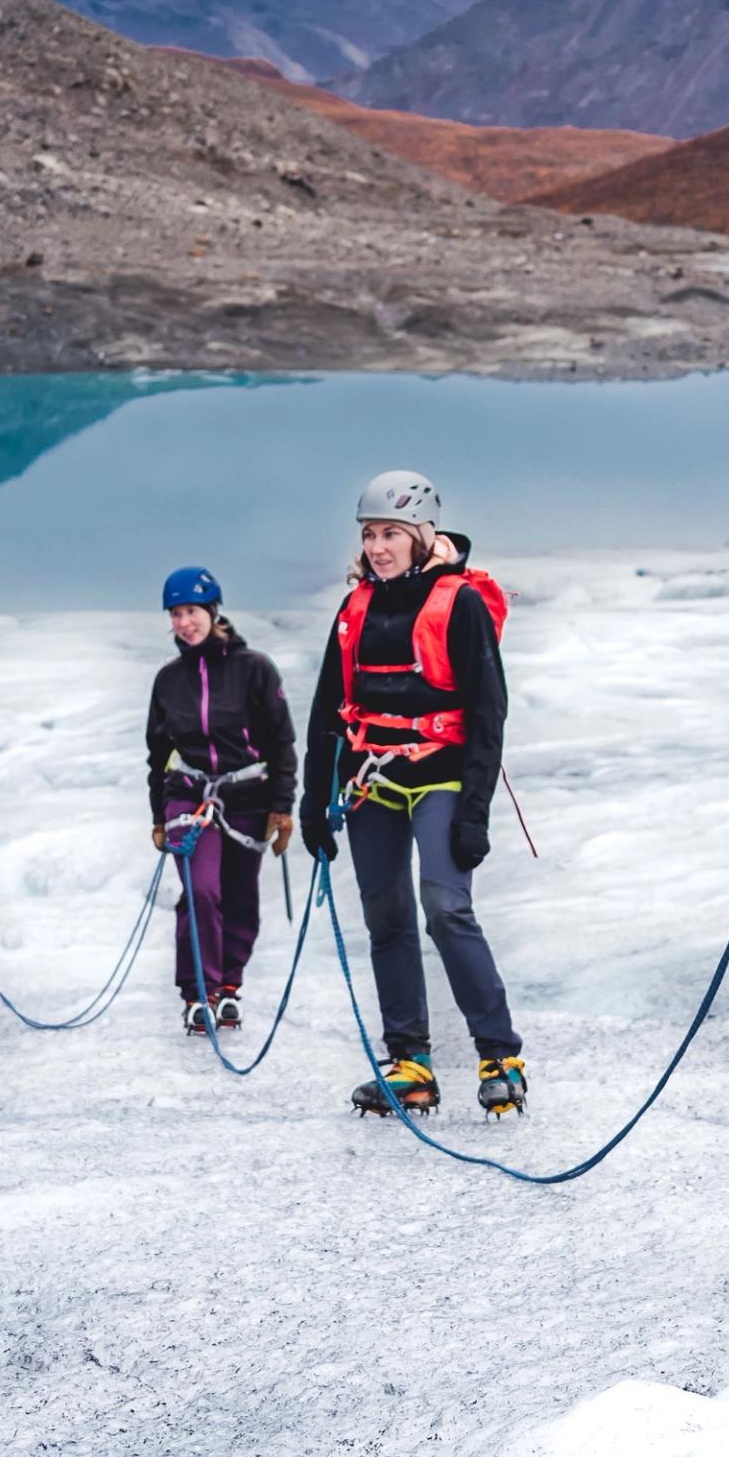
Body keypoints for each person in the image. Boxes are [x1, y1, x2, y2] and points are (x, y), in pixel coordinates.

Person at [301, 470, 526, 1118]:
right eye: (370, 534)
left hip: (444, 774)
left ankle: (499, 1055)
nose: (377, 547)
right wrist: (315, 803)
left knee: (446, 907)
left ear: (423, 536)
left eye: (391, 534)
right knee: (386, 916)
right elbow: (327, 712)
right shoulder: (355, 609)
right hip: (372, 780)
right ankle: (411, 1064)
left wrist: (475, 816)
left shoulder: (459, 604)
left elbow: (489, 713)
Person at [145, 566, 299, 1032]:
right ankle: (198, 992)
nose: (184, 622)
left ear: (213, 612)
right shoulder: (169, 680)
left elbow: (281, 742)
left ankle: (229, 985)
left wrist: (282, 806)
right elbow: (157, 754)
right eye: (176, 614)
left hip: (248, 798)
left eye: (192, 611)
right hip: (189, 799)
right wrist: (158, 815)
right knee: (202, 891)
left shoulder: (254, 669)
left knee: (239, 897)